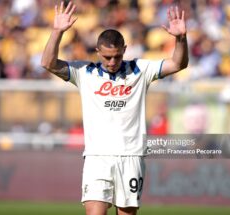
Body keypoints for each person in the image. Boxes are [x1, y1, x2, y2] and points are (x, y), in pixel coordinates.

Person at [41, 1, 188, 215]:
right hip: (97, 157)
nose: (112, 62)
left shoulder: (140, 69)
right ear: (97, 51)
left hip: (131, 156)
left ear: (124, 51)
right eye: (107, 57)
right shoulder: (85, 72)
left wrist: (181, 39)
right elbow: (48, 63)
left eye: (117, 56)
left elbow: (177, 64)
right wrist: (57, 32)